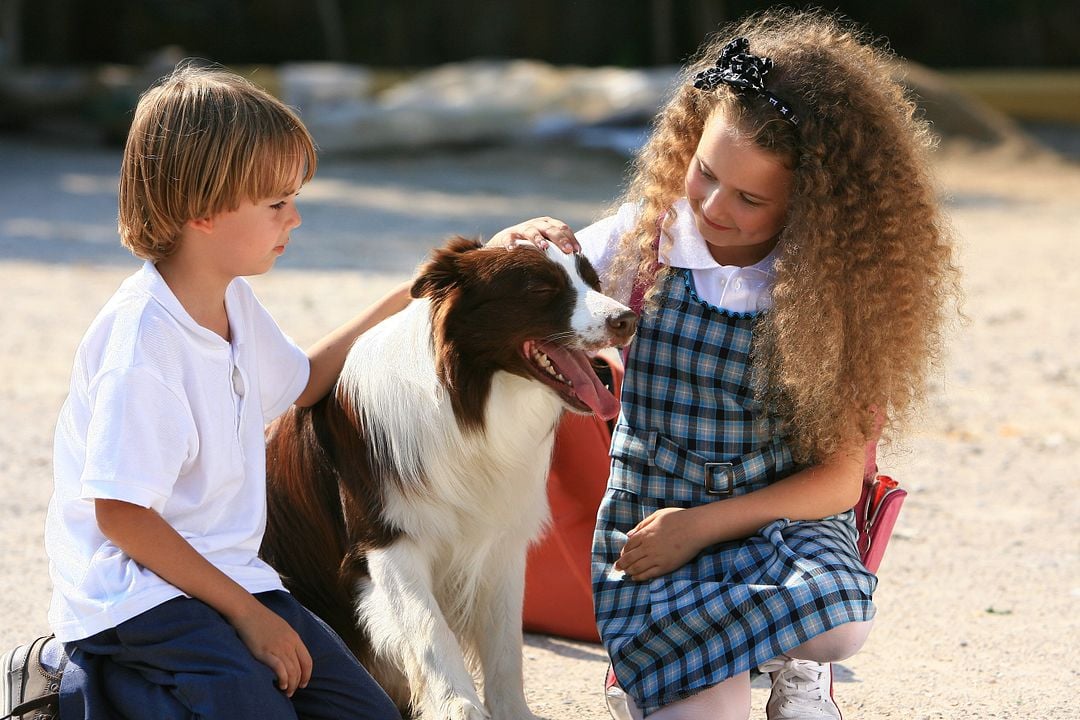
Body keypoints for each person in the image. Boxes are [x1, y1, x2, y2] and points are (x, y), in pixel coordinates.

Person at [499, 8, 959, 720]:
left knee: (840, 621)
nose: (714, 206)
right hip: (656, 529)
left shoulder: (835, 291)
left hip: (778, 526)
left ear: (811, 206)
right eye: (706, 173)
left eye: (750, 198)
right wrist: (517, 243)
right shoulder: (645, 245)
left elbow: (839, 480)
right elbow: (510, 289)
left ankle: (795, 660)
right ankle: (656, 667)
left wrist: (705, 524)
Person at [2, 63, 409, 719]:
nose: (296, 218)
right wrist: (251, 618)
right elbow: (122, 516)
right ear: (202, 210)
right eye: (276, 203)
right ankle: (64, 690)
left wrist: (414, 292)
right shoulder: (144, 343)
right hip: (136, 595)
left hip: (225, 576)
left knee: (370, 716)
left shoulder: (234, 304)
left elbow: (303, 382)